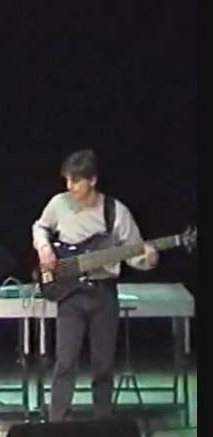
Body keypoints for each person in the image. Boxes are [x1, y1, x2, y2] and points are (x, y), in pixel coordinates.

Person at [32, 149, 159, 422]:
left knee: (103, 365)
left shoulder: (115, 211)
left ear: (92, 180)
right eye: (67, 180)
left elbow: (134, 253)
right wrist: (44, 248)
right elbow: (40, 227)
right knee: (65, 362)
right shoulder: (59, 204)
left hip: (104, 294)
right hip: (70, 295)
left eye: (76, 181)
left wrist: (148, 259)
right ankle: (58, 423)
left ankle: (103, 424)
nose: (69, 186)